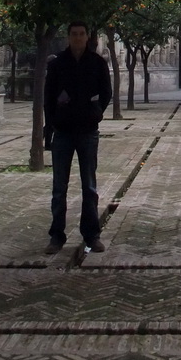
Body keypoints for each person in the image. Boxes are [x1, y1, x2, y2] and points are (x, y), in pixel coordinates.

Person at [43, 21, 112, 255]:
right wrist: (51, 123)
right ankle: (56, 235)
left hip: (88, 131)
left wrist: (97, 112)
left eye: (82, 34)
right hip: (63, 131)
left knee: (89, 186)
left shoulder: (97, 63)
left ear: (87, 36)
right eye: (74, 34)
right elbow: (48, 96)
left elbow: (106, 92)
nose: (78, 38)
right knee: (59, 187)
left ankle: (92, 235)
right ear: (68, 36)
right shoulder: (57, 64)